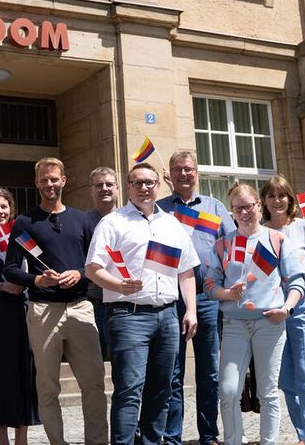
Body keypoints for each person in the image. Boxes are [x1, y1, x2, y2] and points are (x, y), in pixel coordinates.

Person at [85, 163, 200, 445]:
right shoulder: (113, 222)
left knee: (162, 390)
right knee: (129, 390)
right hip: (129, 316)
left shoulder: (172, 224)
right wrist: (119, 286)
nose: (144, 188)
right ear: (128, 187)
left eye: (149, 182)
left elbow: (186, 272)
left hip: (168, 317)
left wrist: (192, 311)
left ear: (158, 186)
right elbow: (92, 268)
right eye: (138, 183)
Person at [3, 157, 108, 445]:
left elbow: (98, 265)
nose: (50, 184)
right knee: (47, 387)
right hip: (43, 310)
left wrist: (79, 274)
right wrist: (36, 280)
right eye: (44, 179)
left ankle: (97, 442)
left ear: (65, 180)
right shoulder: (25, 222)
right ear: (36, 182)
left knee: (94, 384)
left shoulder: (83, 220)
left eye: (54, 179)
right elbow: (10, 269)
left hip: (81, 309)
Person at [205, 183, 305, 445]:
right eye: (238, 208)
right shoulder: (223, 244)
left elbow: (297, 282)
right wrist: (227, 294)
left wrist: (286, 309)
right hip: (234, 324)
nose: (244, 212)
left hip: (269, 324)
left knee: (267, 392)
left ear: (259, 207)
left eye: (249, 206)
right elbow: (209, 284)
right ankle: (233, 441)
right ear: (232, 212)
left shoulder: (277, 239)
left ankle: (268, 442)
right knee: (228, 391)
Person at [158, 150, 235, 445]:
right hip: (169, 300)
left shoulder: (214, 208)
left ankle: (208, 434)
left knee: (208, 372)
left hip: (207, 300)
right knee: (172, 373)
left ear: (197, 173)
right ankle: (172, 436)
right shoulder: (161, 209)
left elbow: (233, 249)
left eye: (188, 169)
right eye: (177, 169)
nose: (183, 174)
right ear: (171, 175)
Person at [262, 174, 305, 445]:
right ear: (264, 200)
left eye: (282, 195)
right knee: (286, 380)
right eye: (271, 196)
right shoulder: (261, 230)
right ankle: (303, 433)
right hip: (273, 312)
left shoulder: (304, 227)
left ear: (290, 199)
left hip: (302, 308)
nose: (277, 200)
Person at [0, 187, 40, 445]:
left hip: (23, 310)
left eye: (4, 207)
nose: (0, 212)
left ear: (10, 209)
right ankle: (3, 441)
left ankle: (21, 439)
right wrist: (2, 286)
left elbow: (39, 264)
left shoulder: (22, 238)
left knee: (26, 374)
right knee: (3, 377)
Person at [86, 166, 119, 359]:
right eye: (98, 185)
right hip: (95, 303)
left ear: (117, 187)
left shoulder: (131, 219)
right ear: (91, 190)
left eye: (109, 184)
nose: (104, 188)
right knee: (96, 361)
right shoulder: (83, 222)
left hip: (124, 303)